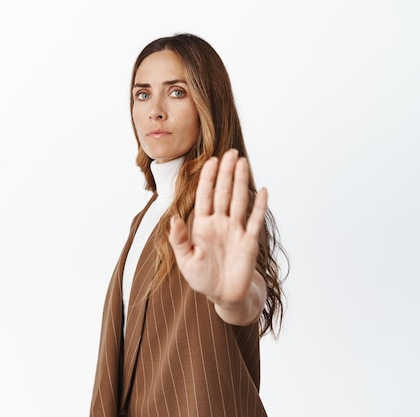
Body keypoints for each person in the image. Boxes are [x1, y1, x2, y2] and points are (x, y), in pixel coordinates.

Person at [90, 33, 287, 417]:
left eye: (177, 92)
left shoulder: (221, 206)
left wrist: (231, 296)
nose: (155, 111)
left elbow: (246, 295)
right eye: (142, 94)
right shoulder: (148, 215)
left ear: (207, 103)